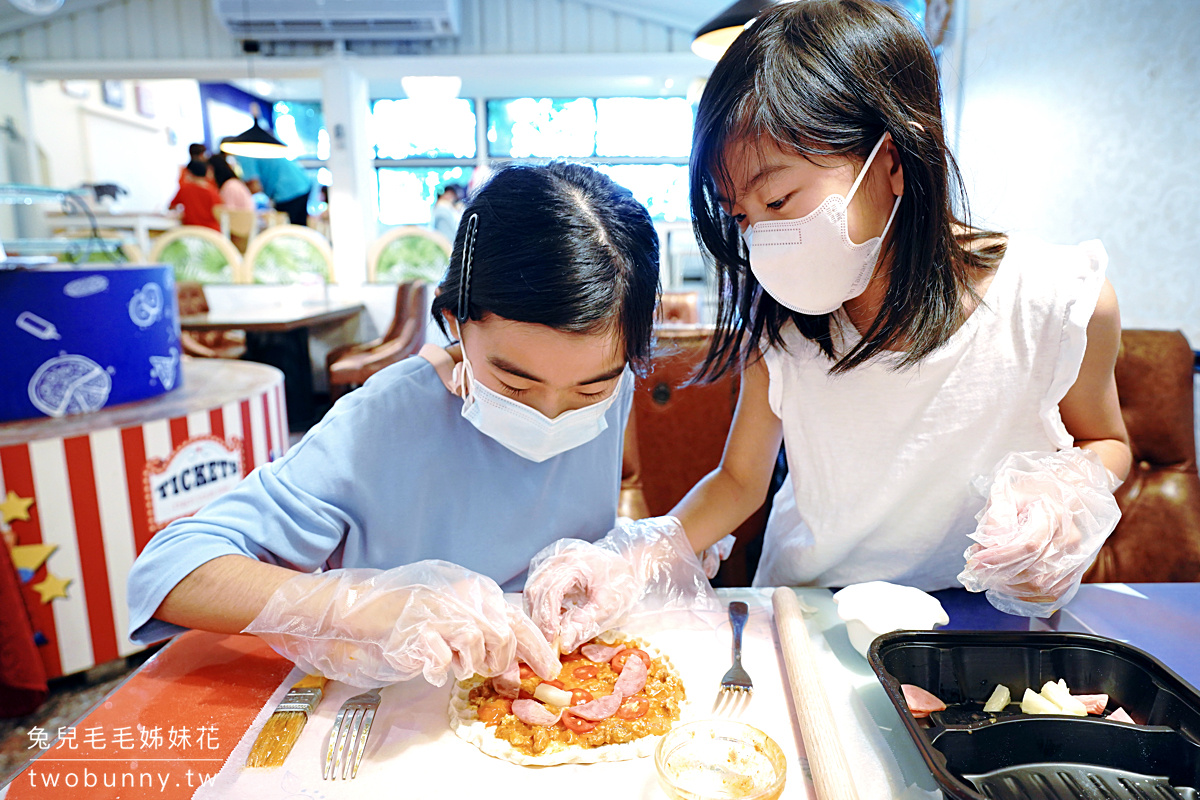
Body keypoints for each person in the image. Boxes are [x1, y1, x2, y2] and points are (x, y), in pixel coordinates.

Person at [526, 0, 1132, 647]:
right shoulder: (785, 325)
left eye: (780, 200)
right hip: (807, 616)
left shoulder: (1056, 302)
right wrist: (628, 556)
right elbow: (740, 480)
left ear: (893, 160)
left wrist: (1069, 495)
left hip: (977, 623)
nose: (763, 238)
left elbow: (1108, 442)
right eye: (741, 216)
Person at [126, 162, 713, 689]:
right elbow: (172, 569)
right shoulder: (386, 416)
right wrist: (363, 607)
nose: (551, 413)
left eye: (590, 388)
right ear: (456, 322)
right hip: (398, 712)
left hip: (548, 692)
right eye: (514, 385)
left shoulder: (615, 380)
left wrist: (616, 565)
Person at [237, 152, 313, 226]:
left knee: (290, 230)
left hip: (288, 189)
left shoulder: (243, 152)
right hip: (300, 182)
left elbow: (255, 186)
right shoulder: (252, 147)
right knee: (296, 227)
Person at [168, 159, 223, 231]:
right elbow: (219, 213)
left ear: (189, 173)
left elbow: (171, 206)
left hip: (192, 232)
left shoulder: (185, 189)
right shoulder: (213, 192)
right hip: (212, 233)